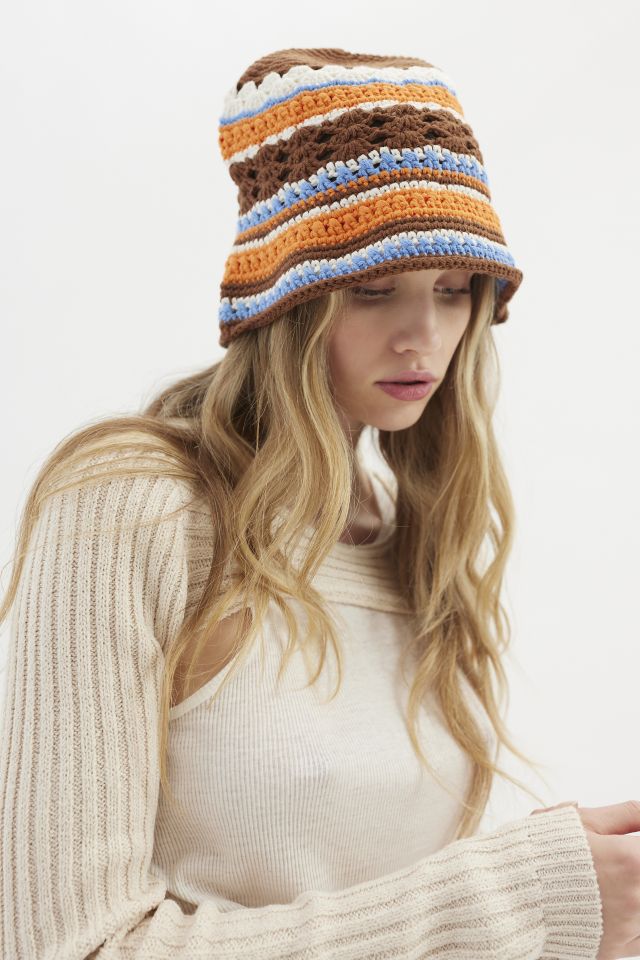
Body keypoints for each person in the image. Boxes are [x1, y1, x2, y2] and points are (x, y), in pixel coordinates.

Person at [1, 44, 637, 960]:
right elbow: (70, 946)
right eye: (373, 289)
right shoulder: (132, 511)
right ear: (285, 304)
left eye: (454, 290)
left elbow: (393, 920)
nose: (424, 335)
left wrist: (563, 905)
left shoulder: (413, 540)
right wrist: (512, 897)